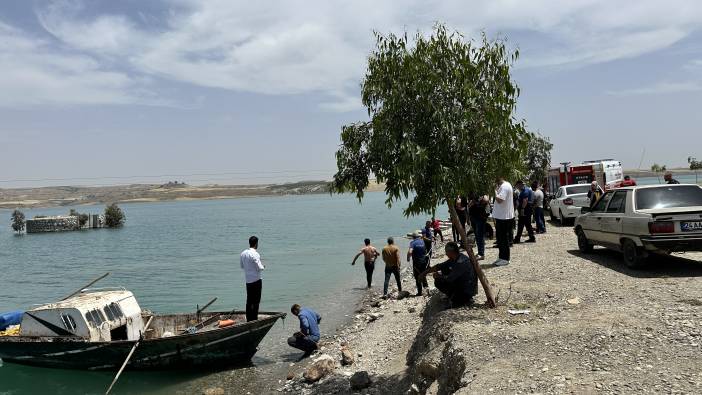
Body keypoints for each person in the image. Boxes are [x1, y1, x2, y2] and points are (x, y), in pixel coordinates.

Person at [419, 242, 477, 308]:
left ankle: (457, 300)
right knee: (444, 269)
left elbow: (450, 278)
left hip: (466, 291)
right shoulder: (456, 257)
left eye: (446, 252)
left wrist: (439, 276)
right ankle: (453, 296)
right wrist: (424, 273)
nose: (446, 254)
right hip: (463, 286)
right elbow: (439, 266)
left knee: (439, 281)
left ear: (450, 252)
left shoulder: (460, 262)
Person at [240, 236, 264, 322]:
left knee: (249, 300)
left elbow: (242, 266)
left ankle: (249, 318)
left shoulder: (243, 253)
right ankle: (254, 318)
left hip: (248, 281)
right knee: (256, 300)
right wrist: (263, 267)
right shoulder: (255, 254)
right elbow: (259, 267)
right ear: (256, 243)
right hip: (256, 280)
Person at [492, 177, 514, 266]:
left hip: (503, 217)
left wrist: (494, 191)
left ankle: (505, 258)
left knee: (503, 239)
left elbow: (500, 200)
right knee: (500, 239)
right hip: (503, 216)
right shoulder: (505, 185)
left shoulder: (504, 186)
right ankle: (501, 257)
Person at [407, 231, 429, 296]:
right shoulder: (422, 241)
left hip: (417, 262)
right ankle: (427, 289)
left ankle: (420, 292)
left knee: (417, 277)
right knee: (423, 274)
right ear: (418, 236)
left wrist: (408, 257)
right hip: (424, 261)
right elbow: (425, 251)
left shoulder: (412, 243)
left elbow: (410, 251)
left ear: (413, 237)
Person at [468, 194, 489, 260]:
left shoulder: (482, 191)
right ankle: (480, 251)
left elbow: (486, 199)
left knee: (480, 236)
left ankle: (481, 254)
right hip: (473, 216)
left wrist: (474, 201)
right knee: (477, 236)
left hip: (480, 217)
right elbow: (469, 205)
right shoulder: (472, 192)